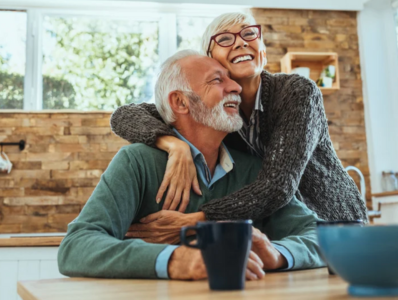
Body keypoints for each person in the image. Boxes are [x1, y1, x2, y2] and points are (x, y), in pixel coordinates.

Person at [57, 50, 325, 280]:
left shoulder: (254, 170)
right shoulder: (136, 162)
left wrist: (276, 254)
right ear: (180, 102)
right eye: (217, 80)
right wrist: (177, 260)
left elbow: (320, 237)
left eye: (231, 79)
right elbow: (76, 246)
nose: (236, 87)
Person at [110, 12, 368, 237]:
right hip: (278, 229)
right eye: (224, 38)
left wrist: (197, 221)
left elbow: (277, 186)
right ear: (210, 59)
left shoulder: (297, 92)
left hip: (332, 222)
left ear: (262, 52)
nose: (241, 41)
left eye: (248, 34)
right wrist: (175, 145)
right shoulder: (214, 111)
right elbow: (124, 116)